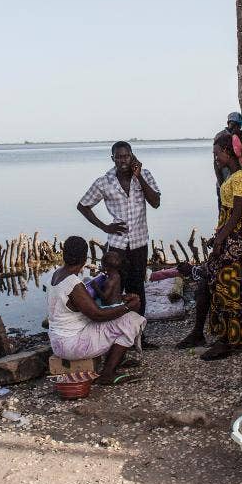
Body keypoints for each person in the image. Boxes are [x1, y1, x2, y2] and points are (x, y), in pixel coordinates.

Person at [77, 141, 161, 349]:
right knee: (114, 291)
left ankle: (138, 336)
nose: (123, 160)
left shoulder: (144, 175)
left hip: (139, 243)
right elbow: (83, 205)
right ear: (112, 158)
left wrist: (139, 177)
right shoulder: (104, 182)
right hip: (116, 247)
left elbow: (156, 202)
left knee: (137, 288)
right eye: (119, 157)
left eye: (126, 156)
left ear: (132, 156)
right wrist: (105, 227)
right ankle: (113, 337)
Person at [176, 131, 242, 360]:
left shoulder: (240, 178)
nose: (215, 157)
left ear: (227, 151)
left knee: (227, 289)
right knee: (214, 284)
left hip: (233, 240)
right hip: (227, 236)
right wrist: (217, 237)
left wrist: (220, 240)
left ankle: (230, 341)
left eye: (217, 153)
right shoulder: (232, 176)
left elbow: (237, 214)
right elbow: (227, 214)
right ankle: (213, 335)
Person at [47, 236, 145, 385]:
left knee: (120, 319)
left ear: (64, 254)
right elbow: (98, 315)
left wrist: (121, 299)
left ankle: (115, 359)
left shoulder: (56, 275)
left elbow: (83, 305)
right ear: (84, 259)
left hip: (57, 342)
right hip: (72, 346)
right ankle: (107, 374)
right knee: (132, 320)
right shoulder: (73, 283)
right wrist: (127, 307)